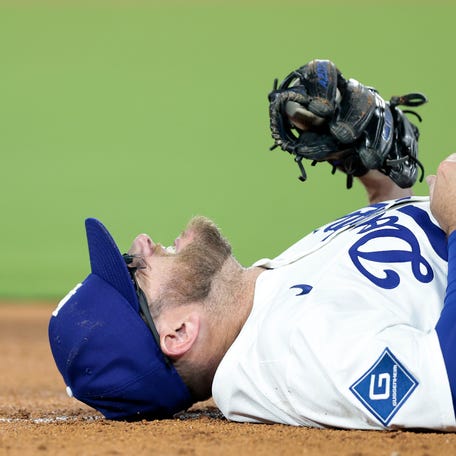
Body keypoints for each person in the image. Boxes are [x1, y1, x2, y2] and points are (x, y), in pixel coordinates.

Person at [48, 62, 456, 430]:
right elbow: (446, 389)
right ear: (178, 333)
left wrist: (380, 186)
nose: (141, 243)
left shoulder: (261, 306)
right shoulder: (299, 354)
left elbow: (385, 293)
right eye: (134, 267)